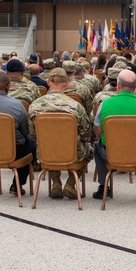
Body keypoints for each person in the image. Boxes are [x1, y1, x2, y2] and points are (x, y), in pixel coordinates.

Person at [93, 69, 136, 201]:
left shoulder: (104, 104)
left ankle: (103, 187)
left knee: (97, 146)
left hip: (110, 154)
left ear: (118, 86)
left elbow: (97, 132)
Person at [27, 67, 93, 200]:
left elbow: (33, 135)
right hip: (73, 153)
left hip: (46, 153)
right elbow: (86, 134)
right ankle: (70, 183)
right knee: (90, 149)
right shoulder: (75, 106)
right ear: (67, 84)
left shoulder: (34, 106)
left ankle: (56, 182)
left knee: (50, 145)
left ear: (48, 82)